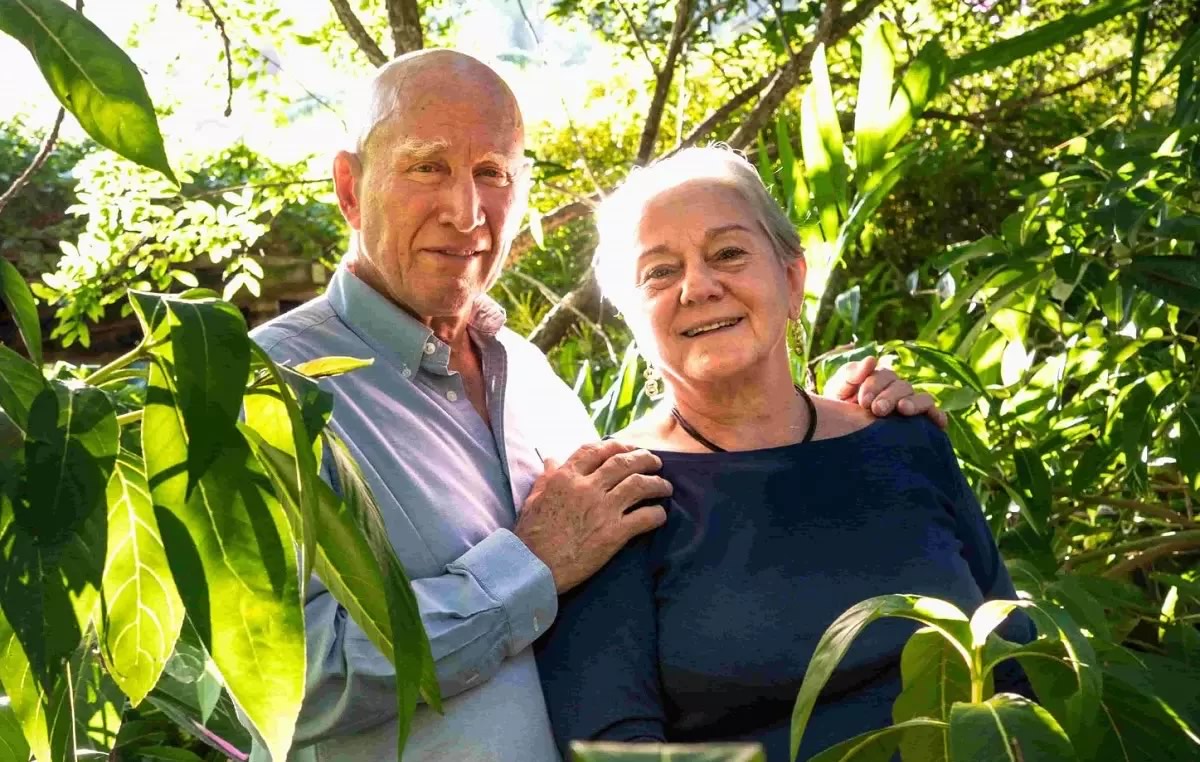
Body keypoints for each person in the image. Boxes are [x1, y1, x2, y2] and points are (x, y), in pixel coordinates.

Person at [249, 51, 941, 762]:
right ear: (350, 188)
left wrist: (846, 425)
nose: (466, 211)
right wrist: (527, 569)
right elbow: (282, 685)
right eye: (428, 167)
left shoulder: (530, 376)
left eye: (492, 173)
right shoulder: (264, 389)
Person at [534, 146, 1033, 762]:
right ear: (630, 316)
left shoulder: (905, 438)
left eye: (728, 253)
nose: (699, 286)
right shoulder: (617, 496)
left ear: (792, 276)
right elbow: (615, 749)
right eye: (659, 272)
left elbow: (1016, 660)